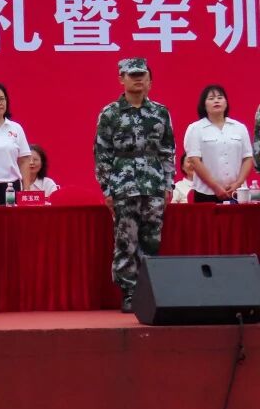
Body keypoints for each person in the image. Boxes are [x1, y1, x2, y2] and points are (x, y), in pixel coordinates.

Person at [94, 58, 174, 313]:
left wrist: (169, 184)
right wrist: (107, 189)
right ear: (121, 78)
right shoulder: (110, 113)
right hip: (123, 185)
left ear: (149, 79)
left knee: (152, 239)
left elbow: (167, 150)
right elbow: (102, 153)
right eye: (132, 75)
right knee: (126, 240)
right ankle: (129, 293)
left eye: (142, 74)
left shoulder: (160, 112)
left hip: (154, 184)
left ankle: (149, 292)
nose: (138, 78)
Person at [184, 84, 253, 204]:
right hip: (206, 193)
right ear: (204, 105)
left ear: (226, 103)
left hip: (237, 192)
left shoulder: (239, 127)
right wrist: (215, 187)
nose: (216, 101)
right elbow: (194, 161)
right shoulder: (195, 128)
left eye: (220, 97)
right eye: (211, 98)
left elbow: (248, 158)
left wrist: (237, 184)